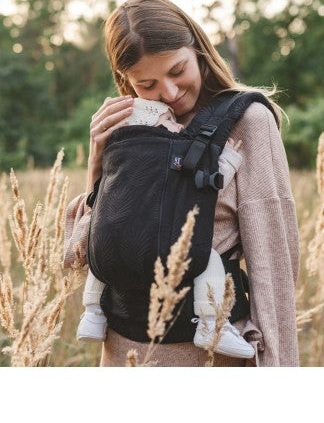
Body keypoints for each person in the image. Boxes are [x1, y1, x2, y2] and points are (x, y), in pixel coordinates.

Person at [64, 0, 300, 367]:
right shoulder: (129, 130)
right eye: (147, 84)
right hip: (123, 355)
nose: (169, 94)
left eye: (177, 71)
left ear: (199, 49)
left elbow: (274, 266)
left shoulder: (248, 122)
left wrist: (279, 370)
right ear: (124, 80)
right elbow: (75, 256)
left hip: (207, 359)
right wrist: (98, 167)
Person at [76, 97, 255, 359]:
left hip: (113, 244)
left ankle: (92, 313)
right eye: (169, 121)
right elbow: (205, 189)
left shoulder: (121, 159)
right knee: (209, 260)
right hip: (161, 246)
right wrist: (227, 161)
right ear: (150, 127)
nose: (180, 126)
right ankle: (210, 323)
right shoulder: (169, 155)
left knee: (104, 258)